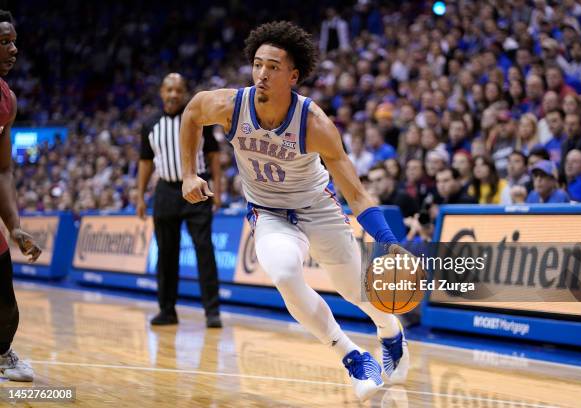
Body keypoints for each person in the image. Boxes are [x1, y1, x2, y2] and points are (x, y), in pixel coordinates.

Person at [179, 21, 414, 401]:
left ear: (293, 75)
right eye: (257, 64)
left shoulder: (314, 123)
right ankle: (353, 357)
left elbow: (354, 192)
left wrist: (387, 241)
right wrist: (190, 173)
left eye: (273, 67)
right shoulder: (230, 105)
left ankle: (390, 329)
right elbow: (191, 113)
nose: (262, 74)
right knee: (286, 273)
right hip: (268, 213)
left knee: (355, 291)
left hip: (317, 208)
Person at [138, 73, 222, 328]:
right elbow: (145, 161)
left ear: (185, 93)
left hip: (197, 187)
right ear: (162, 92)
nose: (174, 94)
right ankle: (167, 310)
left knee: (204, 250)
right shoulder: (150, 124)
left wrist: (218, 186)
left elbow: (214, 154)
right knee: (166, 254)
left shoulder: (198, 118)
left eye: (179, 90)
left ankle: (212, 311)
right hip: (165, 190)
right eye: (169, 90)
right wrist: (140, 195)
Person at [0, 10, 42, 382]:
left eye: (13, 41)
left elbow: (3, 170)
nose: (14, 49)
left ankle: (2, 355)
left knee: (5, 304)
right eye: (4, 42)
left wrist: (14, 226)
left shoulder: (7, 100)